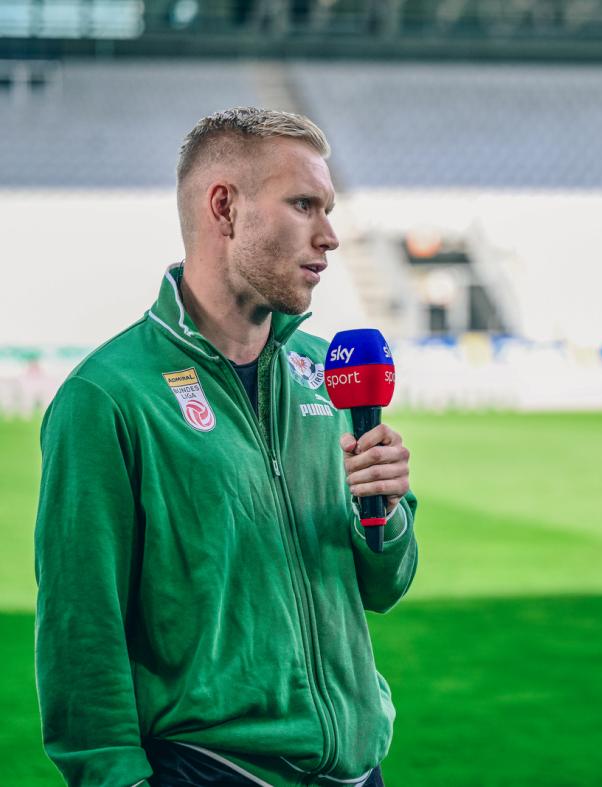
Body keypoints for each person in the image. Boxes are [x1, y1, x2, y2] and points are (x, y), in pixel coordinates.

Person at [35, 108, 418, 786]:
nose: (330, 236)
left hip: (360, 769)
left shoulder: (325, 372)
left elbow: (383, 586)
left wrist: (382, 512)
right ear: (225, 208)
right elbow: (80, 634)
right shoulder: (107, 397)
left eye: (327, 208)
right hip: (214, 769)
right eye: (304, 205)